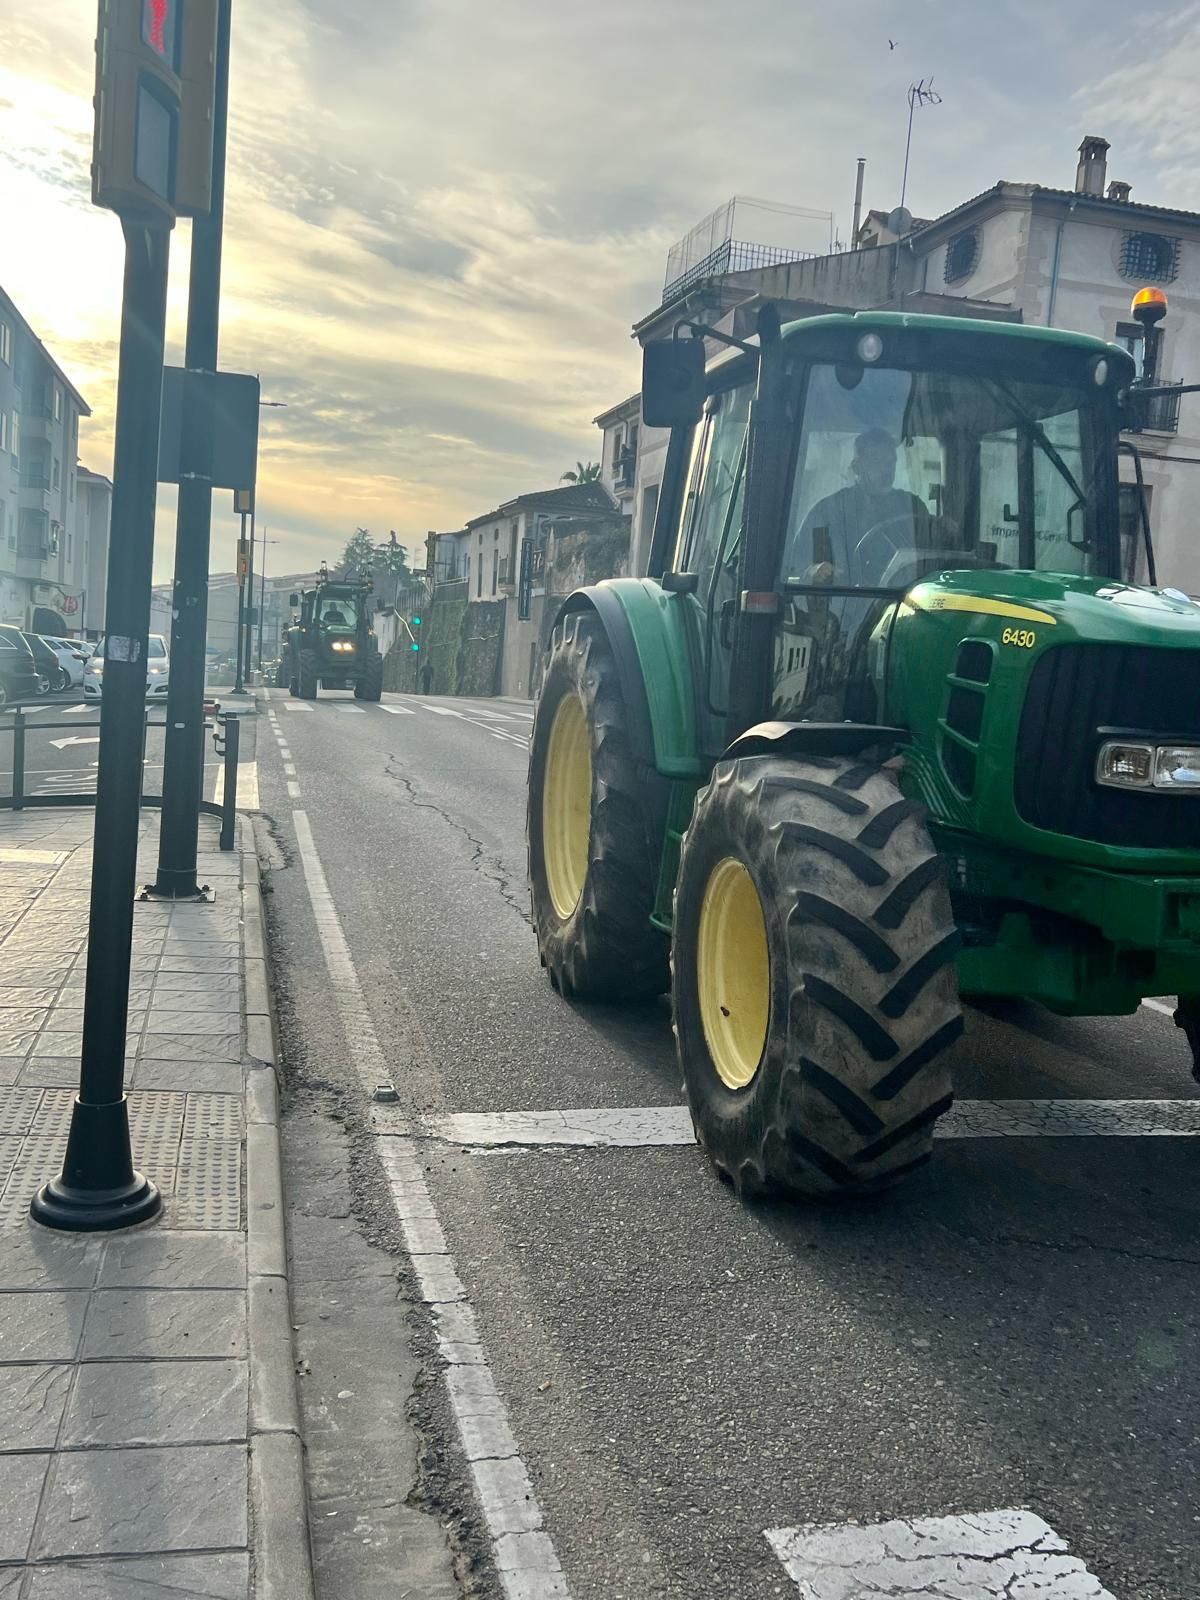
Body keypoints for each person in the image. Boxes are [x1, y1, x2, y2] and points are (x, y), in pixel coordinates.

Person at [796, 428, 933, 586]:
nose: (886, 469)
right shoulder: (827, 511)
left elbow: (932, 556)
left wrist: (945, 531)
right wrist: (816, 571)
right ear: (857, 466)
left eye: (890, 462)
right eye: (877, 461)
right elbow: (799, 568)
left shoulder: (913, 507)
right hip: (846, 602)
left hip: (904, 599)